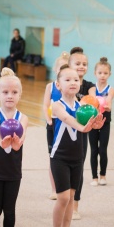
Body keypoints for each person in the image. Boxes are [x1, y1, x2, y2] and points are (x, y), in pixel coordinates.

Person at [50, 65, 105, 227]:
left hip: (77, 158)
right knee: (63, 197)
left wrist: (94, 125)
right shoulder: (57, 105)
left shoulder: (83, 105)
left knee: (72, 197)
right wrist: (83, 127)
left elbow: (88, 124)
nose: (73, 82)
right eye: (67, 80)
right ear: (58, 85)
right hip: (59, 158)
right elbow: (67, 119)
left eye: (76, 80)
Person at [0, 67, 28, 227]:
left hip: (13, 170)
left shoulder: (23, 118)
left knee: (9, 210)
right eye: (5, 92)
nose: (10, 95)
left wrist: (16, 144)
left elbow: (21, 140)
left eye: (14, 92)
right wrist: (2, 141)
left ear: (20, 95)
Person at [68, 46, 95, 220]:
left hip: (82, 133)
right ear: (69, 65)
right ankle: (64, 201)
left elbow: (92, 101)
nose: (81, 66)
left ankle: (75, 206)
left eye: (84, 64)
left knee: (78, 169)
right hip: (64, 131)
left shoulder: (89, 86)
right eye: (77, 63)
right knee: (62, 167)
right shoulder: (62, 82)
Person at [43, 52, 70, 200]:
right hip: (53, 125)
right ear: (55, 70)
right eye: (61, 68)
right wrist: (48, 120)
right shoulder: (50, 86)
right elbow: (46, 105)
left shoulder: (70, 86)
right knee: (53, 157)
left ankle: (64, 188)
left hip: (67, 125)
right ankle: (54, 189)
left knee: (65, 157)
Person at [88, 57, 114, 186]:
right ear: (95, 73)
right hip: (93, 122)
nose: (102, 76)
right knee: (94, 149)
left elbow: (109, 100)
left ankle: (103, 175)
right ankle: (94, 177)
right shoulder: (92, 89)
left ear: (109, 74)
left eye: (105, 73)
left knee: (103, 149)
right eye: (100, 73)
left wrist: (107, 105)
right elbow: (93, 100)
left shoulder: (111, 89)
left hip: (105, 121)